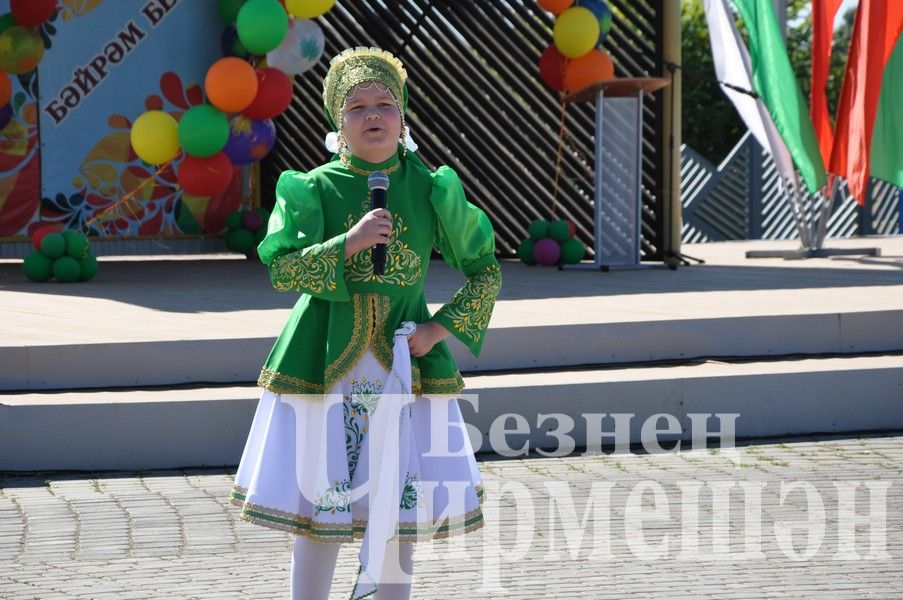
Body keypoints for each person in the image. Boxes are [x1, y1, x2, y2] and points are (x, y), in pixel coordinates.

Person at [228, 46, 503, 600]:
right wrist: (346, 245)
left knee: (398, 510)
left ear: (402, 117)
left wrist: (436, 331)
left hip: (405, 365)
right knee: (321, 510)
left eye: (385, 103)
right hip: (325, 364)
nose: (372, 115)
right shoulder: (315, 188)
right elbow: (281, 267)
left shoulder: (429, 187)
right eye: (356, 107)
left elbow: (485, 272)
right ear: (338, 122)